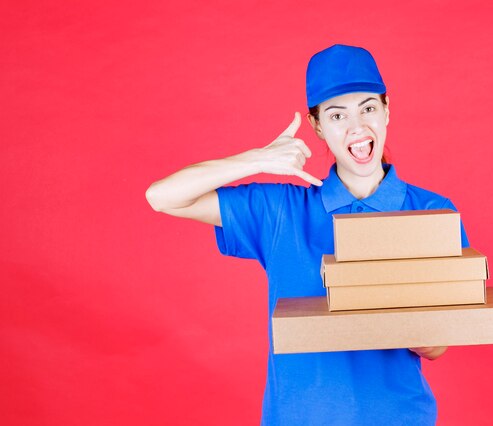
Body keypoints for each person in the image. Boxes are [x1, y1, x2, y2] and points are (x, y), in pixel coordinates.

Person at [146, 44, 469, 425]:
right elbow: (161, 197)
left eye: (368, 108)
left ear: (387, 110)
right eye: (336, 115)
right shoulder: (281, 211)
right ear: (317, 126)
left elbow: (438, 345)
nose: (356, 127)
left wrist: (393, 312)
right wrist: (258, 160)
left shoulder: (432, 211)